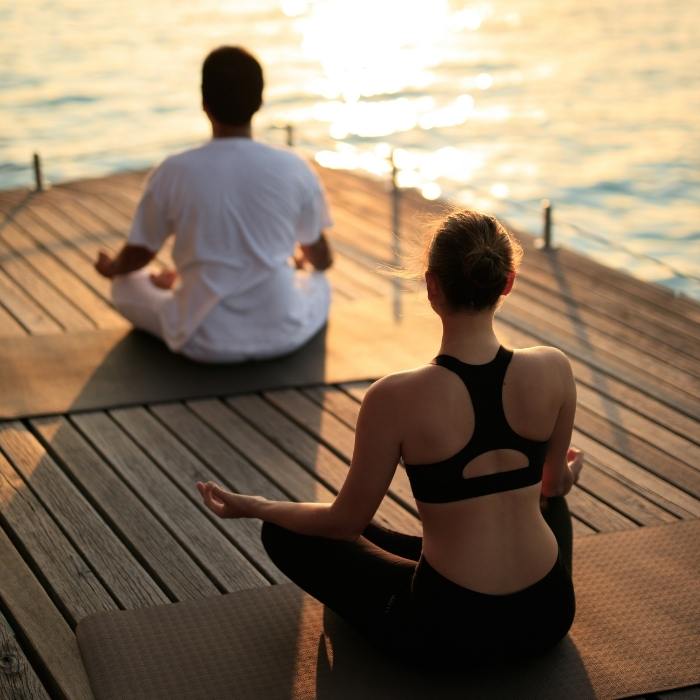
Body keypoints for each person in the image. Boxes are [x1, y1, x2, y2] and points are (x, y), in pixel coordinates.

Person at [197, 209, 584, 667]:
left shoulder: (394, 396)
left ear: (432, 286)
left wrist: (255, 506)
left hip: (454, 631)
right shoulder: (554, 368)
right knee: (548, 498)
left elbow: (344, 523)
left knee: (287, 531)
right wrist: (564, 473)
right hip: (547, 613)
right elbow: (552, 487)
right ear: (508, 282)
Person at [95, 46, 333, 363]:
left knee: (123, 285)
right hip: (283, 333)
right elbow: (322, 258)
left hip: (202, 340)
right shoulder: (294, 167)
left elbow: (139, 255)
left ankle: (179, 286)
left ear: (205, 104)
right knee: (319, 281)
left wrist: (112, 268)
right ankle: (184, 284)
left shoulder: (174, 171)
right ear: (260, 102)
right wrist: (298, 264)